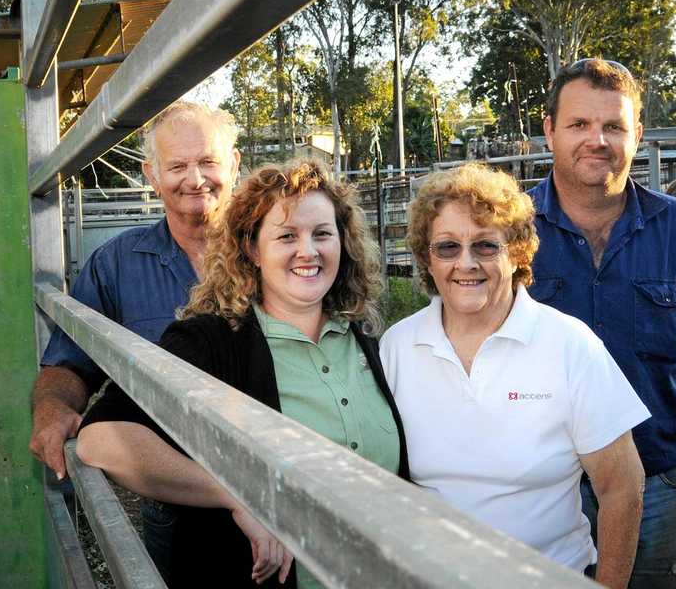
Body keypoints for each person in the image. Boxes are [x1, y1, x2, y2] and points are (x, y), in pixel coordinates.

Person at [76, 159, 409, 588]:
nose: (308, 250)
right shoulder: (211, 344)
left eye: (322, 234)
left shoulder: (369, 340)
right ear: (252, 249)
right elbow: (101, 439)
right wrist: (238, 495)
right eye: (286, 236)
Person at [380, 163, 649, 587]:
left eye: (486, 246)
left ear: (518, 251)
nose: (465, 263)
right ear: (426, 260)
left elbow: (622, 487)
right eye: (447, 247)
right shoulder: (396, 348)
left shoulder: (569, 346)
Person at [529, 58, 676, 589]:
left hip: (660, 479)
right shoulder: (508, 232)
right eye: (579, 124)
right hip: (545, 484)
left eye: (614, 126)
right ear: (549, 130)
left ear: (638, 134)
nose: (596, 140)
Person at [27, 100, 241, 578]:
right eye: (177, 165)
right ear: (151, 174)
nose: (195, 178)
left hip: (271, 481)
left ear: (234, 164)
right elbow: (70, 360)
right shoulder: (117, 264)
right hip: (173, 496)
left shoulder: (270, 250)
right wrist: (52, 407)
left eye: (208, 161)